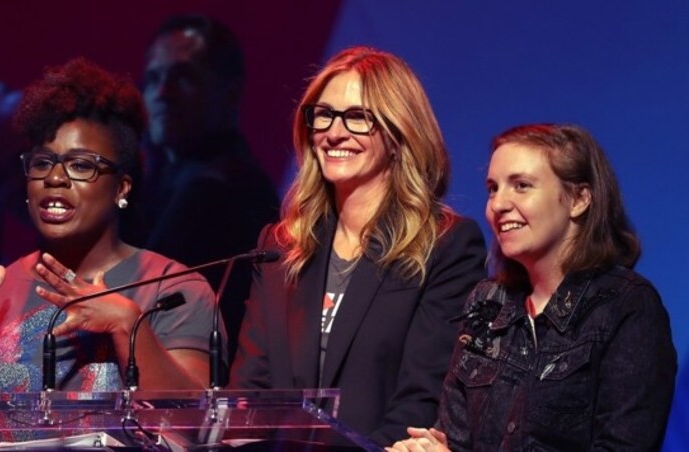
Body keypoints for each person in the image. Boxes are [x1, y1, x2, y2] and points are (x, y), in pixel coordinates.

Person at [0, 58, 220, 451]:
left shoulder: (176, 290)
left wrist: (127, 325)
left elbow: (191, 430)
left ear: (122, 188)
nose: (54, 178)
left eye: (79, 165)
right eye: (42, 162)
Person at [228, 46, 487, 446]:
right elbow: (250, 393)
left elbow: (421, 403)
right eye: (325, 115)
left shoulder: (445, 246)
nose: (334, 132)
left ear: (400, 133)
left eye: (357, 118)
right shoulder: (280, 246)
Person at [389, 124, 677, 451]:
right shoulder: (487, 302)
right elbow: (453, 438)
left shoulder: (626, 306)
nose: (497, 204)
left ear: (579, 199)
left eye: (521, 185)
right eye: (492, 189)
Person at [133, 14, 280, 364]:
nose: (162, 93)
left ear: (229, 93)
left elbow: (136, 297)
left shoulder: (223, 187)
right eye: (153, 79)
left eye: (183, 77)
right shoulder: (162, 177)